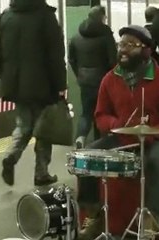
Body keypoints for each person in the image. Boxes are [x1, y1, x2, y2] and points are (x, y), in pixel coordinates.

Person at [76, 25, 159, 239]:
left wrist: (152, 132)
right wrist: (115, 123)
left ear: (146, 50)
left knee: (156, 160)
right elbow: (100, 115)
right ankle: (94, 215)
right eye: (121, 44)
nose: (123, 50)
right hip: (120, 138)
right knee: (86, 156)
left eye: (130, 45)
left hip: (155, 141)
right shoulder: (110, 79)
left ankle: (152, 221)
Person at [0, 0, 67, 187]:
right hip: (43, 84)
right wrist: (60, 84)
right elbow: (56, 54)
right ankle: (41, 173)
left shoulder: (6, 16)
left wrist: (5, 79)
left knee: (24, 125)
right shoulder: (46, 16)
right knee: (45, 130)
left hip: (15, 85)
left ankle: (11, 154)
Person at [68, 5, 117, 149]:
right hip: (103, 80)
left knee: (86, 113)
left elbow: (71, 59)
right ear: (102, 17)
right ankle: (102, 142)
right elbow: (112, 59)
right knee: (103, 112)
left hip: (85, 80)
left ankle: (80, 138)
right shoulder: (106, 34)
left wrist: (79, 74)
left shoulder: (77, 35)